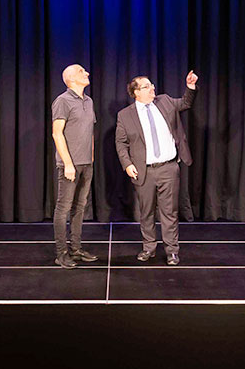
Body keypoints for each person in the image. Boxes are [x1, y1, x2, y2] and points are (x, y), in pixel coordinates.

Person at [115, 71, 198, 265]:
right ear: (137, 92)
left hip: (168, 168)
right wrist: (127, 164)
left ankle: (172, 251)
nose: (152, 88)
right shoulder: (125, 115)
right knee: (146, 212)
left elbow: (186, 103)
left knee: (169, 212)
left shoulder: (165, 101)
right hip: (143, 171)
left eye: (151, 85)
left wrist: (190, 87)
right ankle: (149, 248)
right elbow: (121, 143)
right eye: (147, 86)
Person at [51, 64, 99, 269]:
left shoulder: (88, 101)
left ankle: (76, 248)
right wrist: (68, 164)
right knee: (64, 208)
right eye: (81, 71)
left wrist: (91, 157)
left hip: (86, 164)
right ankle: (61, 253)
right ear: (70, 78)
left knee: (80, 207)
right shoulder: (62, 101)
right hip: (69, 166)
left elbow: (90, 131)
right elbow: (57, 133)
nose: (87, 73)